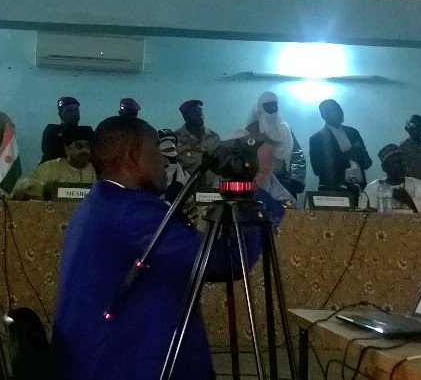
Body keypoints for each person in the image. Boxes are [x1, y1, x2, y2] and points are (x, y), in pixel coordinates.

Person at [53, 115, 283, 380]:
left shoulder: (101, 202)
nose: (163, 162)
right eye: (155, 151)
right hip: (125, 364)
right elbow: (224, 261)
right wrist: (256, 184)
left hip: (99, 357)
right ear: (132, 157)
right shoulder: (131, 212)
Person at [245, 91, 306, 197]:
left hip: (285, 182)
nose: (272, 108)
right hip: (260, 182)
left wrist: (295, 181)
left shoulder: (286, 129)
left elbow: (297, 155)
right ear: (261, 107)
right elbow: (247, 155)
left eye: (274, 104)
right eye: (268, 105)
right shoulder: (253, 129)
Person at [11, 125, 95, 200]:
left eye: (87, 146)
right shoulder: (49, 168)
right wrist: (45, 189)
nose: (85, 150)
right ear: (67, 148)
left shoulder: (95, 169)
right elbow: (19, 190)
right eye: (79, 146)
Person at [308, 99, 372, 194]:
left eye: (339, 109)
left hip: (360, 189)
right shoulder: (317, 139)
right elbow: (317, 169)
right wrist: (347, 155)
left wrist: (360, 155)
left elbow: (368, 163)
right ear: (323, 115)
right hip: (334, 191)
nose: (339, 112)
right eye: (333, 110)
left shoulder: (353, 132)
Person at [361, 144, 421, 212]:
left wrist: (408, 201)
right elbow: (362, 215)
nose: (401, 165)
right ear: (384, 167)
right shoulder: (372, 188)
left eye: (402, 161)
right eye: (395, 163)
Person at [174, 99, 221, 189]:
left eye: (200, 111)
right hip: (187, 191)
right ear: (185, 116)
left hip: (214, 190)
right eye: (195, 111)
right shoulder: (177, 138)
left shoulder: (214, 137)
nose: (200, 114)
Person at [40, 96, 80, 164]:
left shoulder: (86, 132)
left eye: (76, 110)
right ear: (60, 114)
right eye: (69, 111)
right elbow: (48, 152)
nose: (74, 114)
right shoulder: (52, 130)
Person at [159, 129, 190, 202]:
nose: (171, 153)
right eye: (166, 150)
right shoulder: (148, 175)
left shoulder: (185, 176)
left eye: (172, 149)